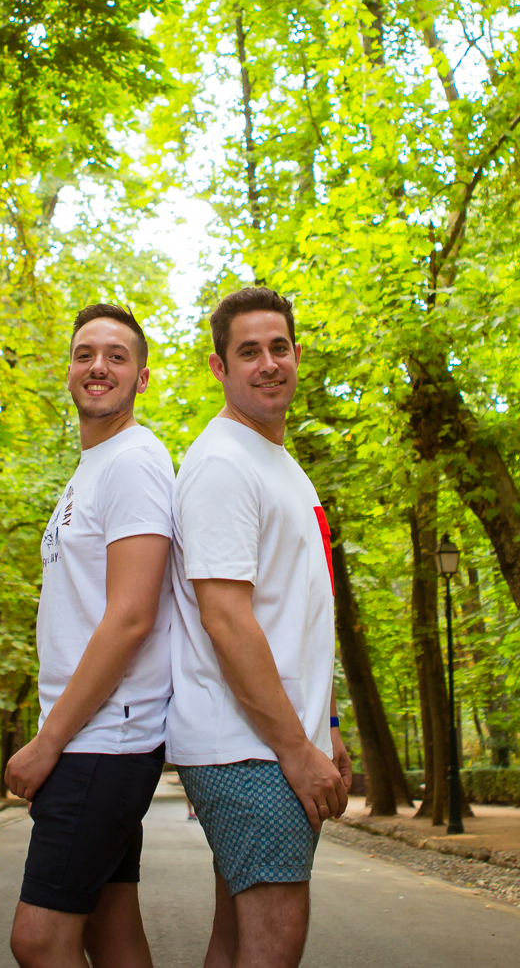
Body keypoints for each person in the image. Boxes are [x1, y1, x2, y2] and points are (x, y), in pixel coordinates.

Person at [168, 287, 349, 968]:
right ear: (219, 367)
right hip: (247, 749)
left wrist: (326, 727)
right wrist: (297, 749)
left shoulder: (282, 464)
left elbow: (296, 613)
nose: (268, 363)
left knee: (238, 940)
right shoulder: (222, 464)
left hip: (272, 745)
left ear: (297, 356)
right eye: (249, 351)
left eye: (279, 348)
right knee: (274, 943)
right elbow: (225, 617)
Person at [6, 303, 177, 968]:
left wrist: (49, 743)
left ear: (140, 377)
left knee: (40, 938)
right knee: (112, 932)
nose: (97, 366)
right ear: (69, 369)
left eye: (116, 355)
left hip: (103, 741)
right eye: (85, 353)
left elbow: (131, 615)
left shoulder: (134, 461)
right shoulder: (95, 466)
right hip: (94, 737)